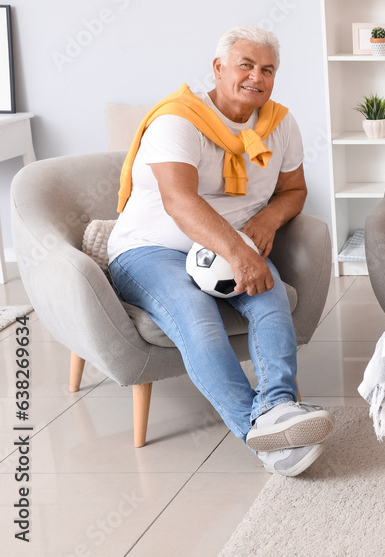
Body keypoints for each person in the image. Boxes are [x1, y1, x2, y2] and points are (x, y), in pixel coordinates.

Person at [108, 27, 334, 476]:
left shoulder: (279, 123)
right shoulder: (179, 119)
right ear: (218, 68)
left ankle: (278, 408)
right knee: (198, 318)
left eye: (267, 69)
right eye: (245, 65)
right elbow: (180, 202)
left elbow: (294, 189)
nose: (257, 77)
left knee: (270, 303)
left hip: (232, 245)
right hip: (152, 249)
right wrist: (241, 253)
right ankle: (260, 431)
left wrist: (266, 221)